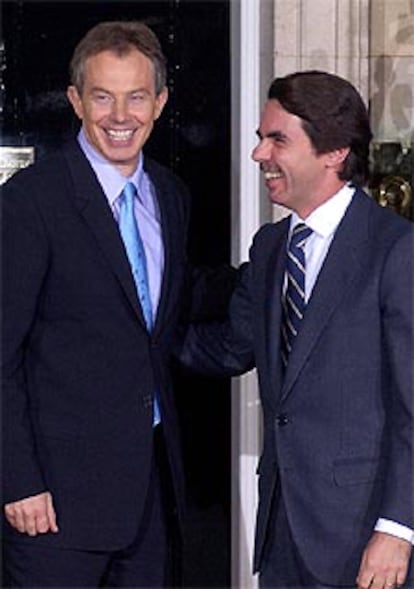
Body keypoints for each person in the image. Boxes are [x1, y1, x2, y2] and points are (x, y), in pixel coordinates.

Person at [2, 19, 235, 587]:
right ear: (76, 100)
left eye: (136, 97)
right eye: (103, 97)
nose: (120, 115)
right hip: (53, 507)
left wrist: (274, 274)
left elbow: (165, 306)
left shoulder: (170, 194)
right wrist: (18, 482)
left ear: (159, 102)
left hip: (150, 500)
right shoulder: (30, 202)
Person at [180, 70, 414, 588]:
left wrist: (398, 528)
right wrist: (137, 332)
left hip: (368, 539)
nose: (258, 154)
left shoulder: (396, 250)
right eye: (260, 138)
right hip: (283, 535)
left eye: (276, 139)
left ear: (333, 153)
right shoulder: (269, 248)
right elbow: (230, 349)